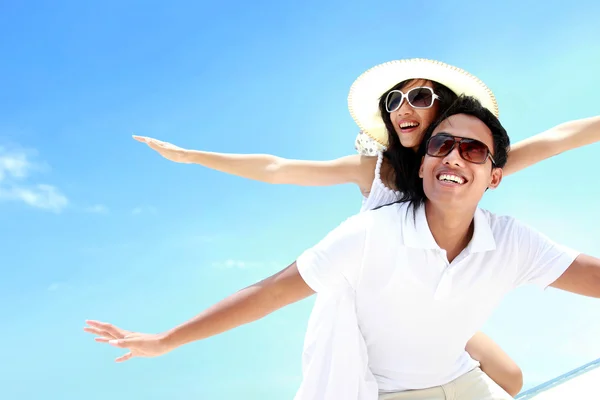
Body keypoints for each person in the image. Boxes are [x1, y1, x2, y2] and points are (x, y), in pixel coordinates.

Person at [128, 59, 599, 395]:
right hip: (378, 293)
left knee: (511, 377)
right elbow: (277, 168)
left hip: (442, 287)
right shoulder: (377, 171)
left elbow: (559, 139)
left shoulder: (470, 159)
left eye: (417, 95)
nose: (400, 107)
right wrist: (192, 156)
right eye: (393, 100)